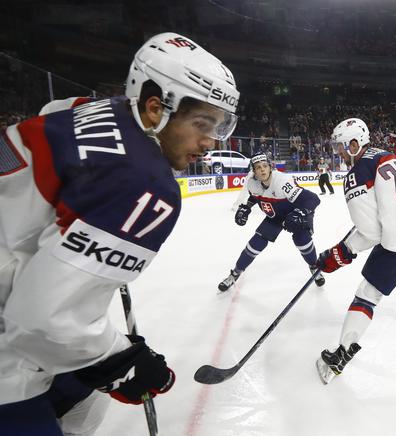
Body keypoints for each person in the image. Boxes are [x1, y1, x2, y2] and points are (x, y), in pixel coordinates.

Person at [0, 32, 240, 434]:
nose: (209, 142)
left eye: (218, 126)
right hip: (10, 344)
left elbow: (53, 111)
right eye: (201, 124)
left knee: (85, 399)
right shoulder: (142, 182)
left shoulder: (87, 108)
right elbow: (42, 319)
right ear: (154, 108)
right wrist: (125, 364)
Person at [315, 118, 396, 384]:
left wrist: (341, 253)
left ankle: (340, 355)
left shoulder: (356, 175)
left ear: (354, 144)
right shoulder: (383, 154)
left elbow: (372, 233)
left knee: (367, 294)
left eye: (341, 146)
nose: (338, 152)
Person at [218, 153, 324, 291]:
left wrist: (300, 213)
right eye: (258, 167)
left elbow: (313, 199)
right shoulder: (252, 183)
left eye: (264, 166)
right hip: (275, 215)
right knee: (255, 243)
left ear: (270, 167)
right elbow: (255, 197)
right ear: (254, 171)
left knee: (302, 240)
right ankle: (235, 273)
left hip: (295, 211)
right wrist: (247, 207)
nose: (262, 170)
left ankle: (314, 267)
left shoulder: (282, 181)